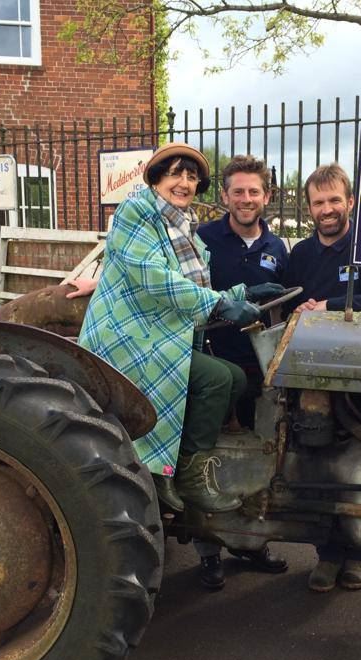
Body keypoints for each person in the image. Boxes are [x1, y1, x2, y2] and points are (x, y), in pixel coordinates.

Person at [74, 142, 281, 515]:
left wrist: (242, 292)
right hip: (130, 336)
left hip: (162, 333)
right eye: (175, 174)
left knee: (236, 379)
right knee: (219, 379)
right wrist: (220, 305)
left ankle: (182, 463)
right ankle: (179, 473)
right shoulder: (137, 212)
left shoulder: (183, 228)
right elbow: (154, 278)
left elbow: (194, 288)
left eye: (191, 176)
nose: (184, 182)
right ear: (156, 179)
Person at [282, 163, 361, 593]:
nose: (328, 209)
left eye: (335, 200)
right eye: (319, 202)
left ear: (350, 202)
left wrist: (329, 306)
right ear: (309, 208)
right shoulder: (299, 256)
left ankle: (359, 555)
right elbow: (284, 303)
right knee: (317, 464)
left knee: (360, 465)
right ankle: (327, 553)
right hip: (313, 380)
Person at [192, 154, 290, 589]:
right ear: (225, 196)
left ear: (265, 197)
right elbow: (188, 291)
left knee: (254, 457)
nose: (246, 199)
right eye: (238, 191)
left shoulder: (277, 248)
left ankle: (249, 543)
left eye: (254, 192)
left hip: (257, 367)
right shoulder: (203, 238)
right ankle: (206, 550)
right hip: (212, 361)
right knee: (206, 453)